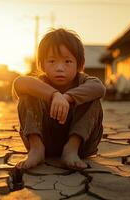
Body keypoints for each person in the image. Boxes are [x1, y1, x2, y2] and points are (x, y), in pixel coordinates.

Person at [12, 28, 105, 170]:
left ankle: (71, 149)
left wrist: (67, 97)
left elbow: (99, 87)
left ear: (79, 64)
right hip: (45, 141)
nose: (60, 68)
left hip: (82, 146)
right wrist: (54, 95)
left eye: (68, 61)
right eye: (52, 61)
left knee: (93, 99)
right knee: (27, 95)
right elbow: (20, 83)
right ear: (42, 64)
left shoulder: (84, 80)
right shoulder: (40, 83)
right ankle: (36, 149)